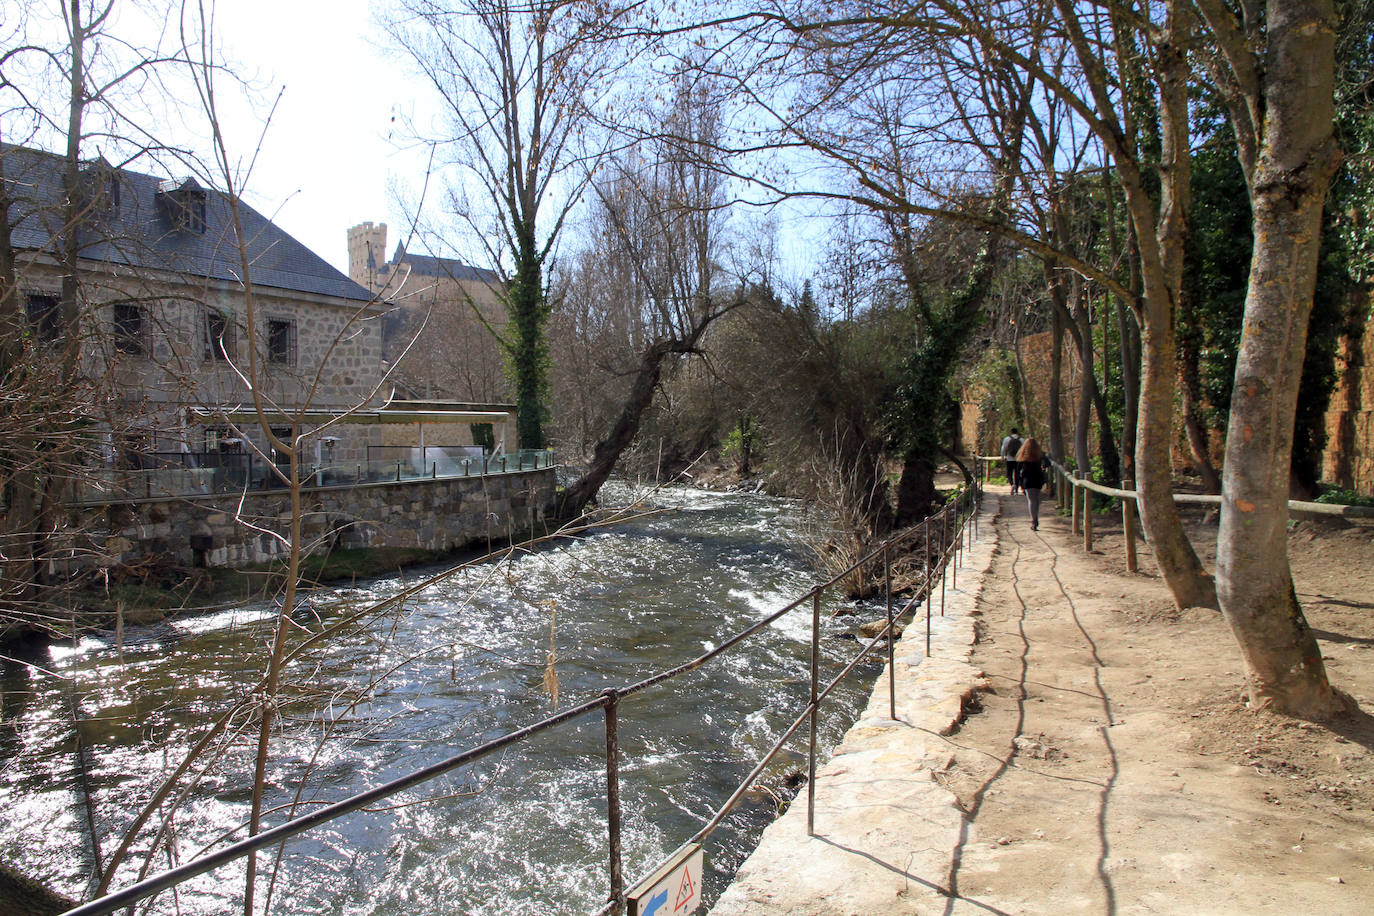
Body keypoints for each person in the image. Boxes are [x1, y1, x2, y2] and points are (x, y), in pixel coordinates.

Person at [1016, 437, 1049, 530]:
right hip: (1038, 478)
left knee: (1031, 500)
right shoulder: (1039, 455)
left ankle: (1034, 520)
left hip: (1027, 479)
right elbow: (1048, 463)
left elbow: (1018, 471)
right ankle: (1035, 518)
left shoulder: (1023, 456)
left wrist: (1018, 483)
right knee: (1036, 499)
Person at [1000, 428, 1024, 494]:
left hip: (1009, 459)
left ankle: (1012, 484)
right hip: (1018, 459)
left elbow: (1003, 449)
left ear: (1011, 432)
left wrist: (1002, 457)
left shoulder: (1007, 439)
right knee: (1017, 473)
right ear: (1017, 432)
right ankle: (1016, 488)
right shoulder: (1021, 440)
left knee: (1009, 473)